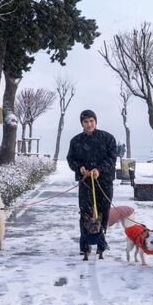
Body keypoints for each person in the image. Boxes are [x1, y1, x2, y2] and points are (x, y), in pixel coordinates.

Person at [67, 109, 117, 260]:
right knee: (85, 214)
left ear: (95, 121)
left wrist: (99, 169)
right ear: (82, 123)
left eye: (91, 121)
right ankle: (85, 244)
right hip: (86, 183)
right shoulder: (76, 141)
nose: (89, 124)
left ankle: (101, 243)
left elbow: (112, 158)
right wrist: (80, 168)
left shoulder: (107, 138)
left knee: (104, 213)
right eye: (86, 122)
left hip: (104, 182)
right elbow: (71, 159)